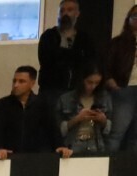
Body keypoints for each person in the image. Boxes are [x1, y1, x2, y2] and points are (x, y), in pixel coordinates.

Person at [0, 66, 71, 158]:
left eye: (21, 81)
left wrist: (61, 146)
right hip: (9, 156)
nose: (16, 85)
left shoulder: (42, 104)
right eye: (14, 81)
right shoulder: (3, 104)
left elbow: (53, 129)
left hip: (37, 157)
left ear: (32, 83)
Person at [38, 0, 96, 103]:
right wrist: (73, 56)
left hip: (76, 90)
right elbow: (46, 61)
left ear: (77, 13)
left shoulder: (84, 38)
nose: (65, 14)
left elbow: (88, 62)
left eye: (69, 10)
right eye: (62, 11)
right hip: (50, 90)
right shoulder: (49, 36)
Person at [58, 63, 114, 155]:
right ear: (81, 79)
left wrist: (103, 120)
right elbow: (60, 130)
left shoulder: (105, 98)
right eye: (89, 82)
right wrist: (77, 119)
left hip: (96, 145)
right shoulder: (65, 99)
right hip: (72, 145)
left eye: (97, 83)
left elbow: (109, 130)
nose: (93, 86)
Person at [104, 6, 137, 152]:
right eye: (134, 15)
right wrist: (111, 82)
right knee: (116, 133)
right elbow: (106, 66)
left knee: (135, 137)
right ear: (128, 19)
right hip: (124, 90)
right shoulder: (118, 42)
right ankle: (108, 163)